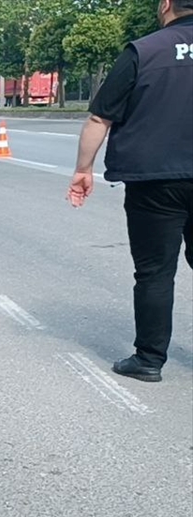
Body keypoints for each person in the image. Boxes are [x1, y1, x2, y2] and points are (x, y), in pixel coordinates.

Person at [67, 0, 193, 383]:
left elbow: (99, 117)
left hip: (155, 181)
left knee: (155, 272)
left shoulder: (144, 50)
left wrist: (83, 169)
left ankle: (149, 359)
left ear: (166, 5)